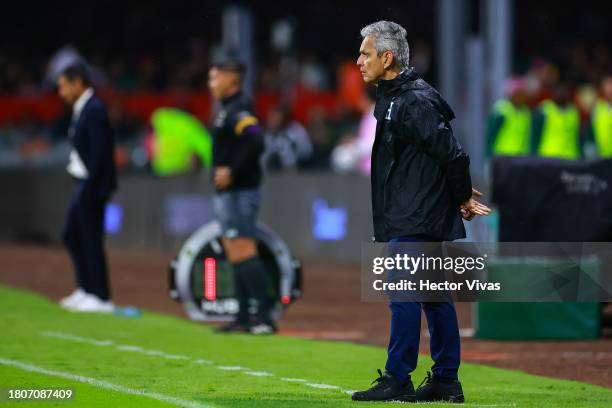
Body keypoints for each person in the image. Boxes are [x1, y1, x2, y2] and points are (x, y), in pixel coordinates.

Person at [351, 21, 490, 403]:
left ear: (387, 57)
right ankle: (446, 379)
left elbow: (452, 153)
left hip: (417, 215)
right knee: (432, 297)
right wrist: (457, 193)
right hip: (416, 210)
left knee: (405, 295)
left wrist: (461, 195)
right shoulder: (397, 96)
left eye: (365, 53)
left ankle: (398, 378)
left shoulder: (413, 100)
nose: (359, 60)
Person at [207, 60, 275, 335]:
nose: (210, 83)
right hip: (230, 193)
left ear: (231, 80)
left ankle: (265, 318)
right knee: (234, 250)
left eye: (214, 78)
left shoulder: (239, 109)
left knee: (243, 249)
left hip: (239, 191)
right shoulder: (227, 110)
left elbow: (257, 140)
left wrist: (232, 172)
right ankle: (244, 317)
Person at [57, 63, 117, 313]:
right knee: (72, 236)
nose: (61, 92)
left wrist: (92, 187)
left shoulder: (94, 109)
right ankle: (85, 289)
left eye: (63, 86)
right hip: (83, 182)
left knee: (90, 239)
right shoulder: (83, 108)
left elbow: (100, 153)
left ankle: (100, 297)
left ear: (78, 83)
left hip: (92, 185)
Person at [531, 82, 581, 159]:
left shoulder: (573, 111)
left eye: (565, 92)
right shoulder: (545, 110)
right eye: (559, 92)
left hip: (570, 156)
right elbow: (535, 134)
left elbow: (577, 136)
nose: (562, 95)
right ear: (553, 94)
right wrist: (534, 155)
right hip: (549, 156)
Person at [485, 77, 532, 157]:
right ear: (511, 94)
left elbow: (527, 137)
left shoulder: (526, 113)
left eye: (522, 95)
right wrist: (489, 156)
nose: (520, 98)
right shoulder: (501, 110)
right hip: (501, 157)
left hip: (519, 158)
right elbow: (490, 137)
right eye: (518, 94)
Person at [261, 105, 313, 171]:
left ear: (284, 120)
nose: (272, 121)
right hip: (275, 165)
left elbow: (305, 152)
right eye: (271, 117)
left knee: (283, 143)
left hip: (304, 163)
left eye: (276, 119)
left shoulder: (295, 130)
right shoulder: (266, 134)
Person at [588, 76, 612, 158]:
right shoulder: (597, 108)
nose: (610, 92)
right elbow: (591, 130)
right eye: (607, 89)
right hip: (602, 157)